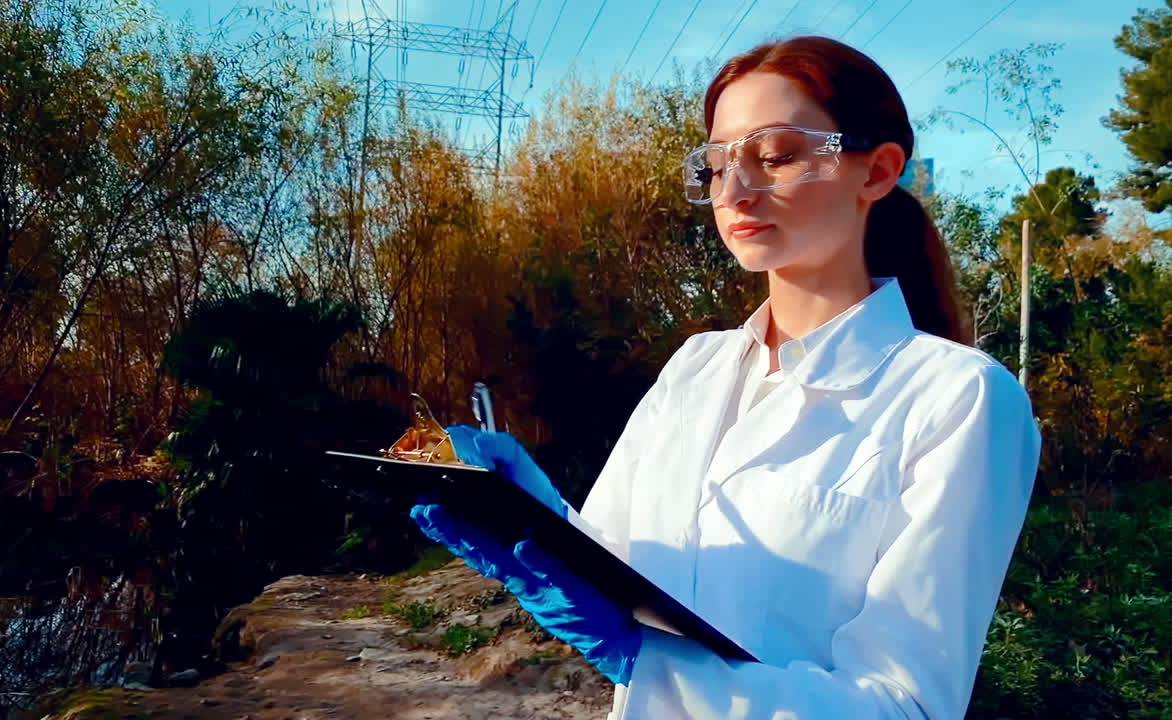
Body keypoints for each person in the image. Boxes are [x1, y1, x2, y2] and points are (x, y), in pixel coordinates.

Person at [411, 35, 1041, 720]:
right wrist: (533, 513)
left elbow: (907, 704)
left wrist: (646, 660)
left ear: (878, 171)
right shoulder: (696, 367)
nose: (735, 190)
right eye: (715, 165)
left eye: (775, 156)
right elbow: (622, 568)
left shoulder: (958, 399)